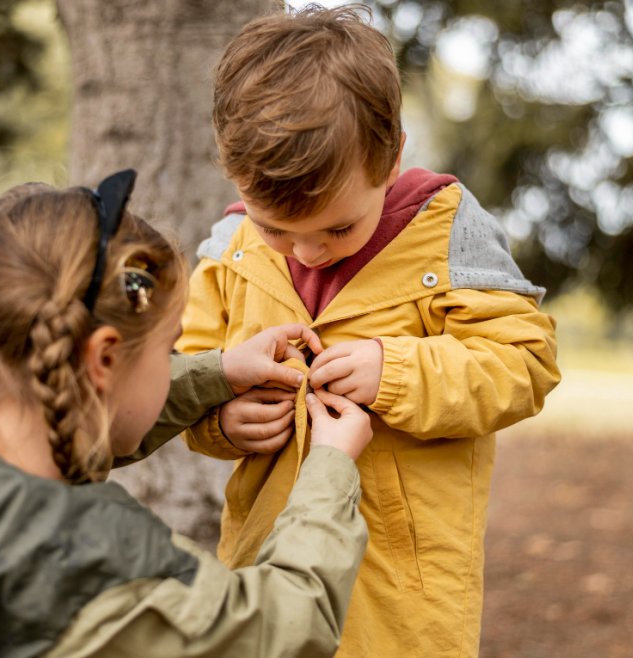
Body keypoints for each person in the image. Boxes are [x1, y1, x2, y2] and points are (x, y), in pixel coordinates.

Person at [0, 171, 374, 657]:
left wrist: (216, 372)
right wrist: (327, 469)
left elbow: (89, 409)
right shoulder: (99, 566)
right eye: (169, 349)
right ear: (104, 358)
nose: (174, 361)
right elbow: (282, 629)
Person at [176, 6, 562, 657]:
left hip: (401, 606)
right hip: (262, 592)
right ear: (233, 175)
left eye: (338, 229)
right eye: (276, 229)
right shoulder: (226, 250)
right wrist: (221, 421)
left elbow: (524, 363)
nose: (307, 255)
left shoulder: (447, 231)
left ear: (392, 158)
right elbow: (185, 376)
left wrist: (398, 372)